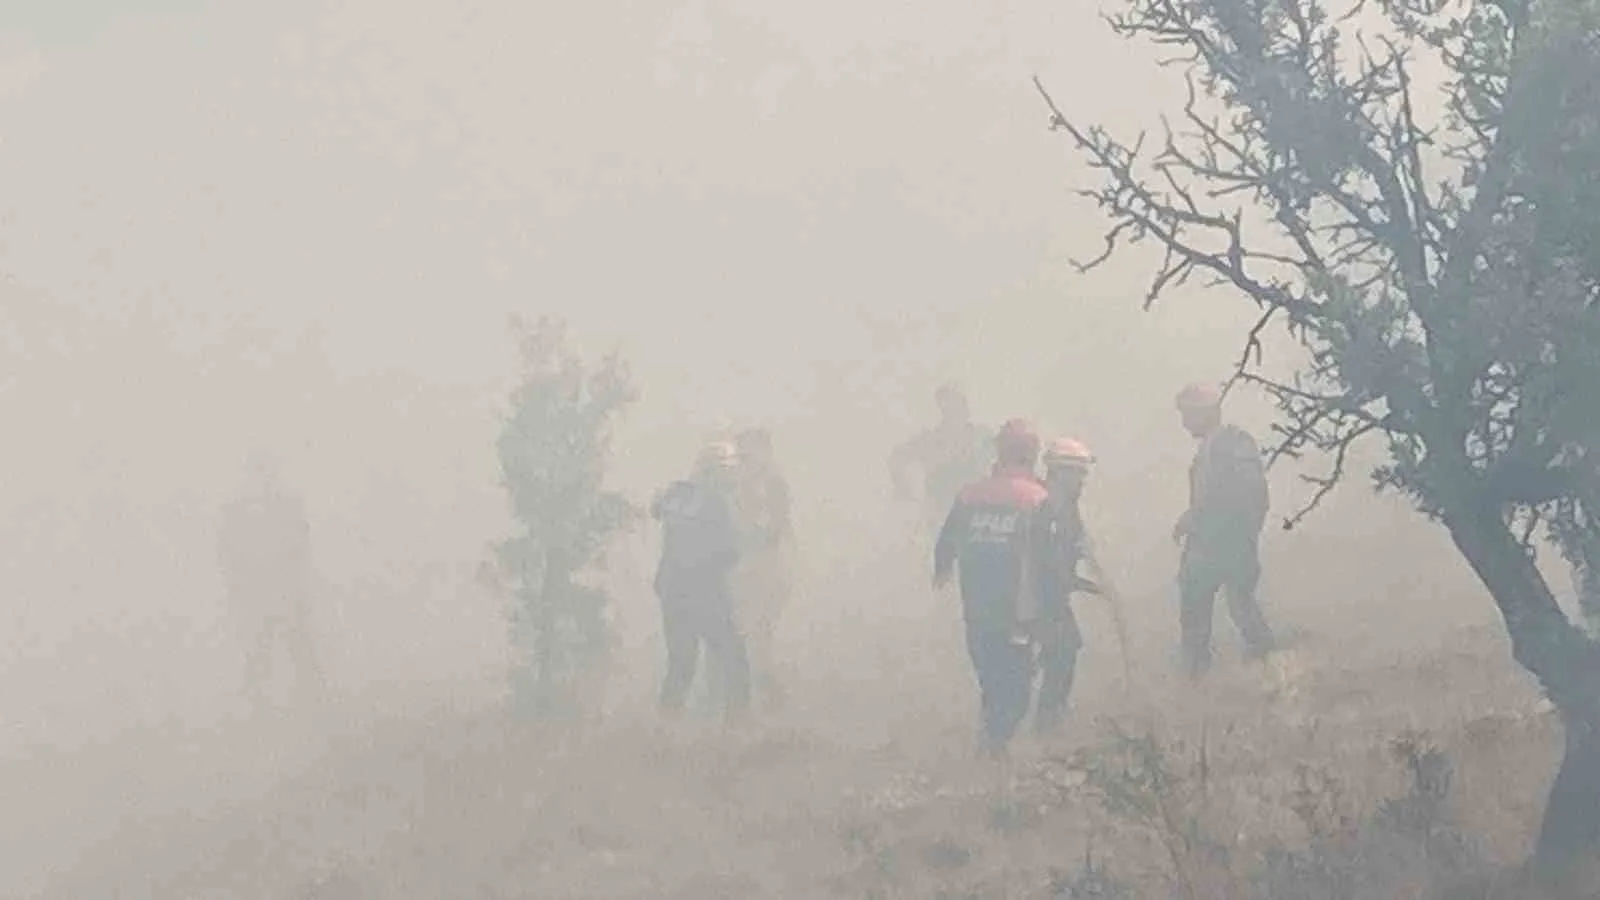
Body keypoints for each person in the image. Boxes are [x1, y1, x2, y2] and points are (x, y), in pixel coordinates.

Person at [934, 419, 1049, 757]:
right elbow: (1051, 559)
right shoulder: (1038, 497)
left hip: (977, 612)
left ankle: (991, 750)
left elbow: (945, 544)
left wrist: (941, 570)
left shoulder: (970, 494)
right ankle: (996, 753)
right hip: (1018, 614)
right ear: (1032, 454)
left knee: (991, 682)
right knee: (1016, 690)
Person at [1172, 382, 1277, 679]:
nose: (1184, 422)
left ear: (1205, 413)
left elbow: (1243, 496)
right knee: (1204, 614)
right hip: (1212, 545)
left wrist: (1202, 521)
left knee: (1238, 609)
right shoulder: (1216, 447)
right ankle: (1200, 681)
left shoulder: (1232, 444)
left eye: (1188, 414)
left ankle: (1270, 672)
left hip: (1223, 546)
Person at [215, 452, 326, 711]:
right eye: (262, 470)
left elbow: (301, 542)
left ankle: (311, 707)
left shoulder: (282, 505)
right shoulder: (241, 509)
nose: (266, 477)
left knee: (294, 652)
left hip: (281, 591)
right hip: (263, 593)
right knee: (261, 654)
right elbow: (227, 551)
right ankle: (261, 710)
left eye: (267, 470)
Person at [651, 441, 751, 724]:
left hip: (673, 595)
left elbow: (656, 509)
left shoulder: (676, 495)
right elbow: (730, 552)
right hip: (706, 594)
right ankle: (738, 729)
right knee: (734, 661)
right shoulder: (716, 504)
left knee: (681, 665)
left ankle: (664, 728)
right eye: (727, 472)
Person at [1029, 437, 1101, 737]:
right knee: (1062, 650)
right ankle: (1047, 722)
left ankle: (1050, 717)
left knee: (1064, 650)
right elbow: (1047, 562)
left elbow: (1077, 543)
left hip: (1054, 597)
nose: (1083, 481)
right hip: (1040, 598)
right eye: (1078, 474)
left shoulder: (1067, 505)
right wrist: (1082, 584)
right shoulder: (1045, 506)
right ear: (1060, 473)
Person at [728, 426, 795, 711]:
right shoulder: (736, 483)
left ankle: (764, 690)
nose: (745, 459)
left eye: (749, 452)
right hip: (744, 564)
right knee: (746, 630)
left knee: (758, 630)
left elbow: (777, 527)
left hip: (764, 564)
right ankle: (756, 691)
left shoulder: (772, 482)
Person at [890, 383, 992, 538]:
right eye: (947, 405)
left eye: (956, 404)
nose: (951, 410)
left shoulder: (980, 438)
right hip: (940, 517)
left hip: (975, 516)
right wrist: (905, 490)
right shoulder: (929, 440)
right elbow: (897, 458)